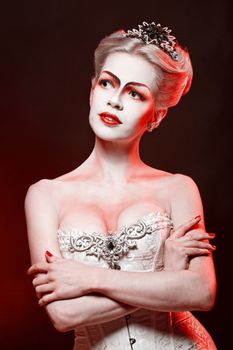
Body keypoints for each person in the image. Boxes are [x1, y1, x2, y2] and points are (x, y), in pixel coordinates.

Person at [25, 21, 217, 349]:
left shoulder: (179, 188)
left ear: (156, 115)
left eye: (135, 93)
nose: (115, 101)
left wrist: (91, 279)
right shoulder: (45, 195)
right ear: (91, 89)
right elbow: (63, 315)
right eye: (106, 83)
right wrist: (165, 283)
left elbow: (201, 293)